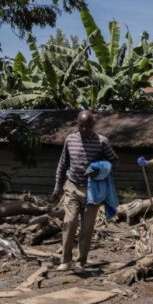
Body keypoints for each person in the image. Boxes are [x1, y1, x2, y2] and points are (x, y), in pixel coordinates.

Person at [53, 110, 119, 272]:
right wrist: (57, 187)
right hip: (73, 187)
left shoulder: (102, 142)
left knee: (87, 228)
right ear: (77, 124)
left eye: (87, 126)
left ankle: (81, 261)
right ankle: (66, 260)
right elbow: (63, 164)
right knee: (69, 222)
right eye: (81, 126)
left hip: (93, 190)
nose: (84, 129)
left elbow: (115, 161)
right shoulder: (70, 140)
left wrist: (101, 170)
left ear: (92, 125)